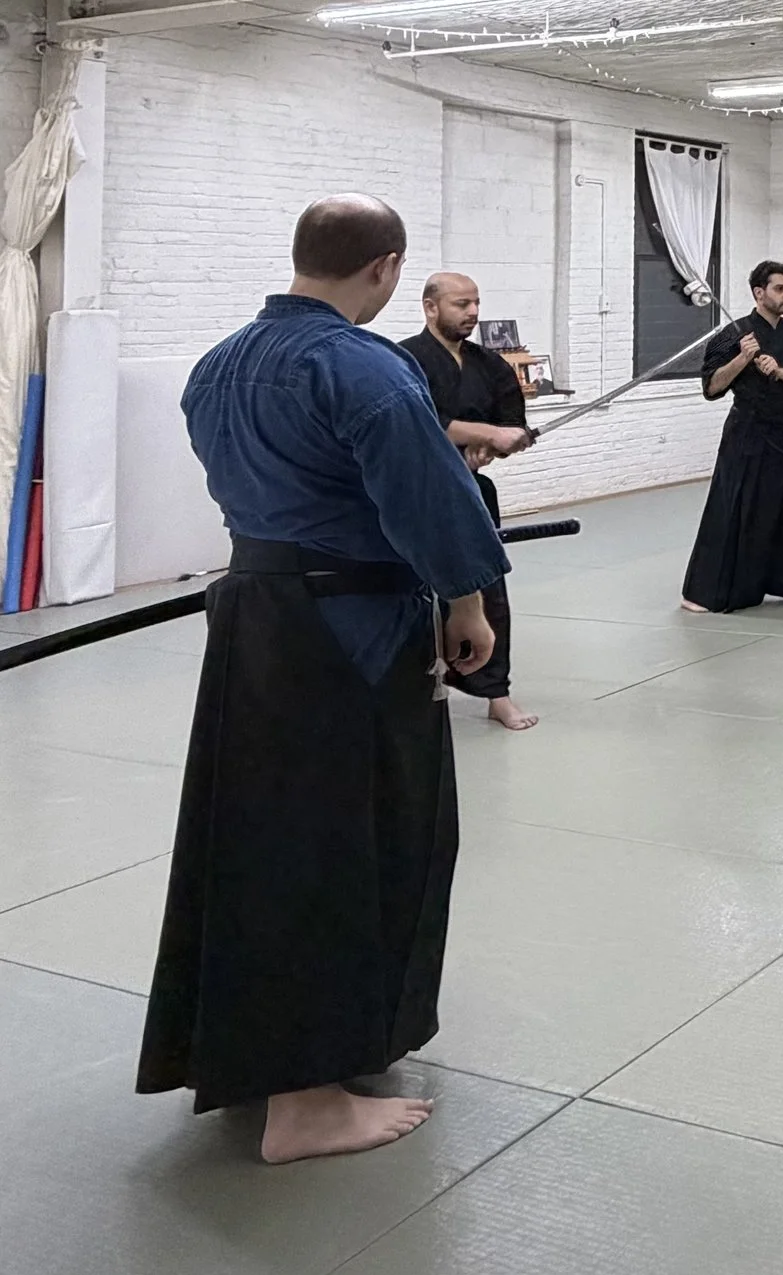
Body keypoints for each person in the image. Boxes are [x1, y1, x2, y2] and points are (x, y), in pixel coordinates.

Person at [138, 195, 509, 1163]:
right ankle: (306, 1099)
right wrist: (467, 603)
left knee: (258, 836)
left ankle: (254, 1058)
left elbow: (261, 486)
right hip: (351, 630)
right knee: (346, 841)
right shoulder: (365, 367)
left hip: (253, 617)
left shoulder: (217, 366)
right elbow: (426, 498)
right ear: (385, 269)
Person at [403, 271, 537, 730]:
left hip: (472, 491)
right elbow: (419, 422)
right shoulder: (404, 360)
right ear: (430, 307)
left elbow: (515, 424)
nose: (474, 313)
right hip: (412, 491)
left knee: (486, 588)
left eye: (476, 303)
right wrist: (484, 433)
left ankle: (495, 691)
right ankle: (416, 686)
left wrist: (499, 443)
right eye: (462, 304)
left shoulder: (491, 365)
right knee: (413, 592)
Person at [681, 259, 783, 613]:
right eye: (779, 288)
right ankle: (704, 593)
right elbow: (712, 387)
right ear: (759, 292)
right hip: (747, 434)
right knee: (735, 511)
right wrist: (742, 359)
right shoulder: (732, 335)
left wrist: (779, 370)